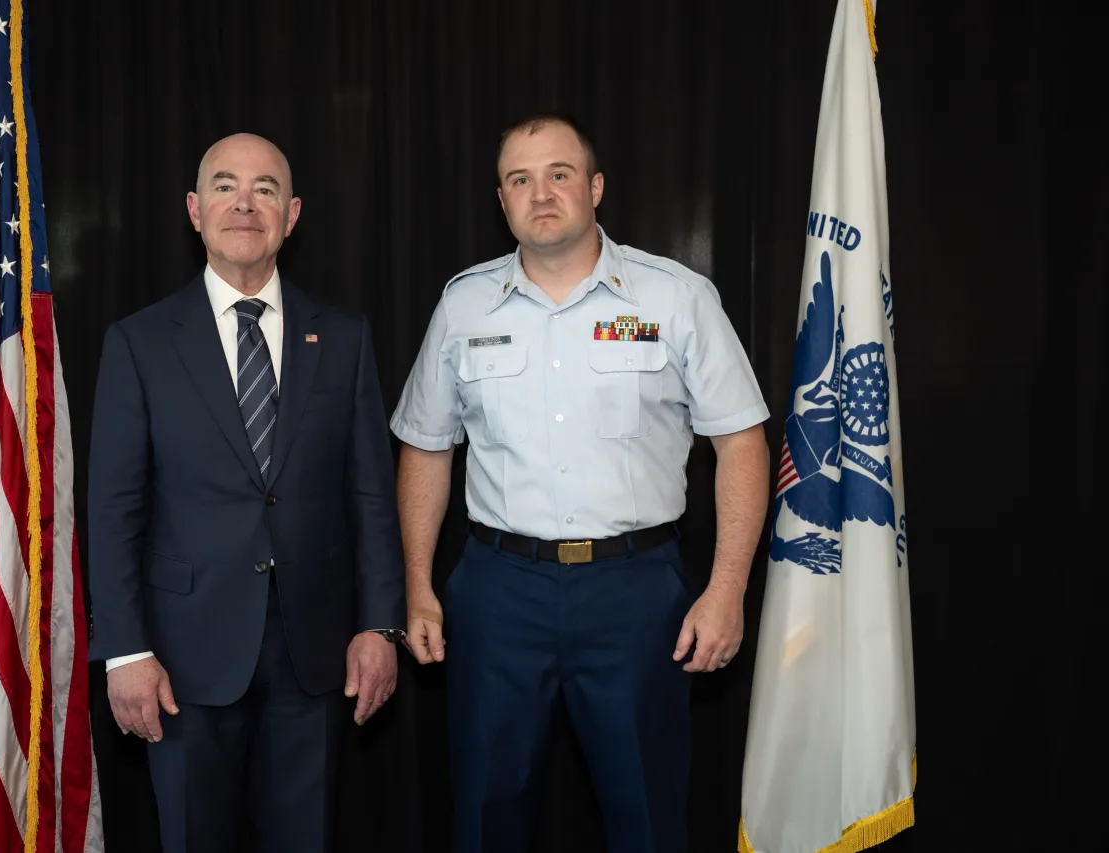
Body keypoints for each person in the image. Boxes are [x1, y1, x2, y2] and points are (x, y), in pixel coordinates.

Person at [391, 114, 771, 853]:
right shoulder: (463, 306)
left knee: (647, 819)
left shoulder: (674, 298)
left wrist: (727, 589)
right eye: (520, 180)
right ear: (500, 201)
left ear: (595, 188)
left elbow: (742, 442)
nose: (542, 193)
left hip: (635, 595)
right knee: (483, 816)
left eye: (560, 173)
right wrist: (416, 584)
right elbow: (426, 449)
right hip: (499, 594)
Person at [86, 132, 405, 853]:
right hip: (181, 658)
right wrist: (124, 649)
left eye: (266, 189)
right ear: (195, 210)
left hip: (316, 653)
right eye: (226, 186)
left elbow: (370, 496)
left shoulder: (345, 338)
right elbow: (112, 509)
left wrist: (380, 624)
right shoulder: (139, 342)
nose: (245, 203)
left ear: (292, 215)